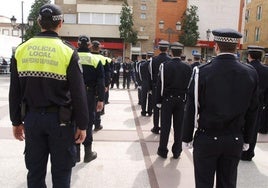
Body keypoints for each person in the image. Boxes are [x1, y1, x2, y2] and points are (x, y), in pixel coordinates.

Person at [9, 4, 89, 188]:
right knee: (61, 173)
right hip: (61, 122)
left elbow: (15, 91)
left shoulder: (21, 50)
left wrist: (16, 121)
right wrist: (82, 125)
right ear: (60, 23)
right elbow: (78, 93)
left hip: (32, 119)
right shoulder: (68, 51)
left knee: (35, 172)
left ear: (38, 22)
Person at [182, 28, 259, 188]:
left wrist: (186, 137)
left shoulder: (201, 72)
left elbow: (191, 106)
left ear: (216, 46)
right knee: (228, 183)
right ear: (236, 47)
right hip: (234, 138)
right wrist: (247, 138)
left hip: (207, 138)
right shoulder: (250, 73)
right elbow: (253, 111)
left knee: (204, 183)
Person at [155, 42, 192, 159]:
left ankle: (163, 150)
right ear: (181, 53)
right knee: (179, 126)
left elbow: (160, 85)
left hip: (167, 99)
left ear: (171, 52)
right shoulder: (187, 67)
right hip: (181, 100)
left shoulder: (165, 65)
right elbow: (189, 86)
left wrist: (158, 100)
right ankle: (177, 151)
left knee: (165, 126)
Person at [76, 35, 105, 163]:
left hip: (72, 94)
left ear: (77, 44)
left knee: (74, 121)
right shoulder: (95, 59)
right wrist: (101, 99)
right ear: (89, 45)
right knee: (87, 122)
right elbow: (100, 81)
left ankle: (75, 154)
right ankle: (88, 153)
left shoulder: (71, 56)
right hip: (88, 95)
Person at [241, 45, 268, 161]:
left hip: (244, 102)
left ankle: (241, 150)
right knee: (254, 126)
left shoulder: (244, 68)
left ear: (249, 56)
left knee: (242, 126)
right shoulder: (266, 70)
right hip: (259, 102)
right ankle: (250, 152)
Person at [150, 40, 171, 134]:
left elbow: (151, 74)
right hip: (167, 88)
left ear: (159, 48)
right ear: (167, 49)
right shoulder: (170, 60)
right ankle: (164, 127)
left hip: (156, 87)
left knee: (156, 108)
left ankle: (155, 127)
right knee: (165, 109)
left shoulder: (154, 59)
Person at [91, 40, 108, 130]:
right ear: (99, 48)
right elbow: (107, 74)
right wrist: (106, 85)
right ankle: (97, 124)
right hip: (98, 86)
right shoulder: (103, 59)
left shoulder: (86, 57)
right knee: (98, 106)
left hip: (85, 88)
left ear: (91, 47)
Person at [139, 52, 153, 116]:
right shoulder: (154, 64)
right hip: (151, 83)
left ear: (147, 57)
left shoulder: (142, 64)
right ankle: (150, 111)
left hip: (144, 82)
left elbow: (140, 75)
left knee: (143, 97)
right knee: (150, 98)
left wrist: (142, 81)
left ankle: (143, 111)